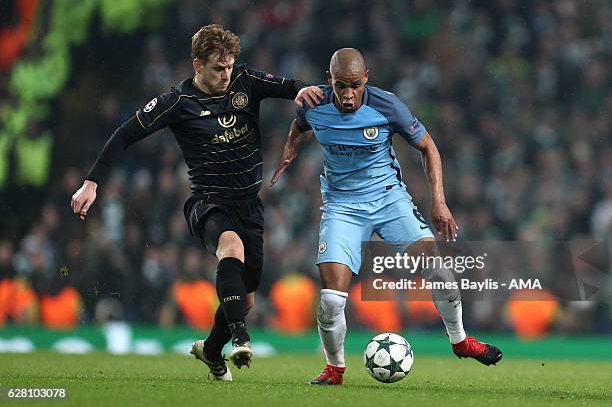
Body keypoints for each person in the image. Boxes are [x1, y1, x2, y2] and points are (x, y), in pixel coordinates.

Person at [71, 24, 323, 381]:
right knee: (230, 247)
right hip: (207, 203)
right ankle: (240, 338)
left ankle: (210, 350)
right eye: (218, 68)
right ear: (197, 64)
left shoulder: (246, 82)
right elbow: (125, 134)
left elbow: (290, 86)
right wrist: (91, 182)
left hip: (249, 206)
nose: (225, 75)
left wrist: (306, 90)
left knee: (245, 299)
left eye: (230, 66)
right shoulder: (177, 102)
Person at [271, 48, 502, 385]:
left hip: (388, 200)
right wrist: (291, 146)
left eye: (354, 85)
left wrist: (439, 200)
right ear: (328, 80)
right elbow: (300, 124)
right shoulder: (312, 104)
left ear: (367, 77)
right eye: (340, 86)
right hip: (342, 207)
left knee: (437, 268)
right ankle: (334, 369)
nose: (348, 95)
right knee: (331, 300)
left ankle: (461, 341)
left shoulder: (387, 105)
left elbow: (428, 147)